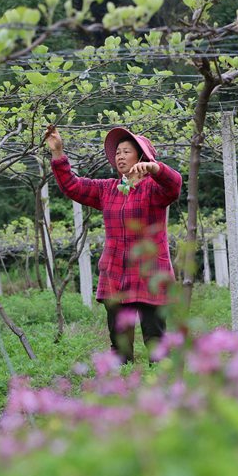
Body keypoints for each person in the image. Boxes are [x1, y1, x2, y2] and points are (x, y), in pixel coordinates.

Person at [45, 125, 182, 364]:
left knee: (155, 338)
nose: (119, 156)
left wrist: (156, 169)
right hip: (116, 274)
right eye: (117, 152)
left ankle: (162, 391)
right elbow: (72, 186)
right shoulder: (107, 189)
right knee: (119, 342)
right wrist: (58, 153)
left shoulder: (154, 189)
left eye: (126, 151)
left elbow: (174, 184)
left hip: (150, 274)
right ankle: (123, 390)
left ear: (141, 157)